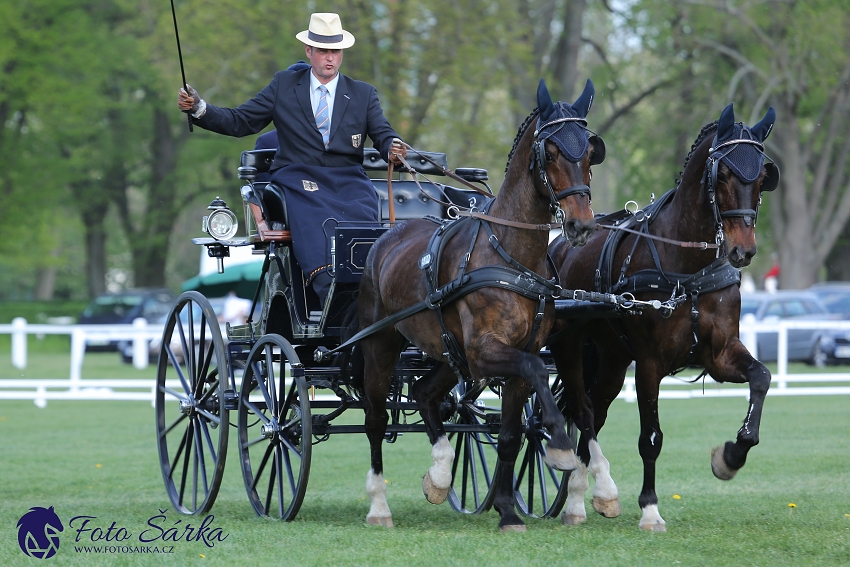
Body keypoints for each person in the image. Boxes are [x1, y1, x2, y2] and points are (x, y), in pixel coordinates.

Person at [178, 13, 406, 304]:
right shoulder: (284, 85)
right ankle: (331, 292)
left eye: (335, 51)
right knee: (318, 217)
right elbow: (240, 121)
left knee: (363, 218)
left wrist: (394, 148)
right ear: (308, 51)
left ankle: (374, 290)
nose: (330, 58)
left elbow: (384, 134)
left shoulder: (363, 94)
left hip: (349, 180)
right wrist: (199, 108)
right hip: (299, 178)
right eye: (323, 51)